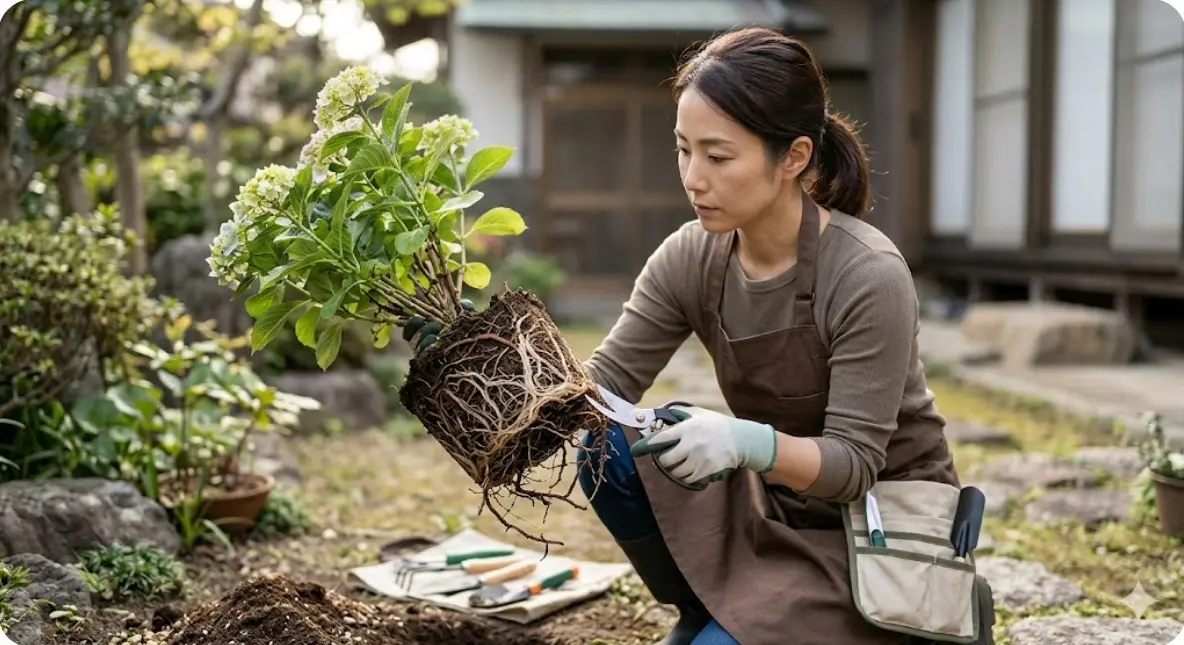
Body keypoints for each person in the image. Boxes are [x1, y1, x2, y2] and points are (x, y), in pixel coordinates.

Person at [568, 27, 996, 645]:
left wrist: (748, 442)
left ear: (792, 157)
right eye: (683, 150)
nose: (693, 177)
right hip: (774, 507)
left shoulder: (866, 273)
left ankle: (930, 617)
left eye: (718, 157)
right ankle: (702, 610)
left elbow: (851, 467)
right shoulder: (691, 256)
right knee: (607, 448)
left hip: (876, 536)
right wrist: (484, 353)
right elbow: (598, 387)